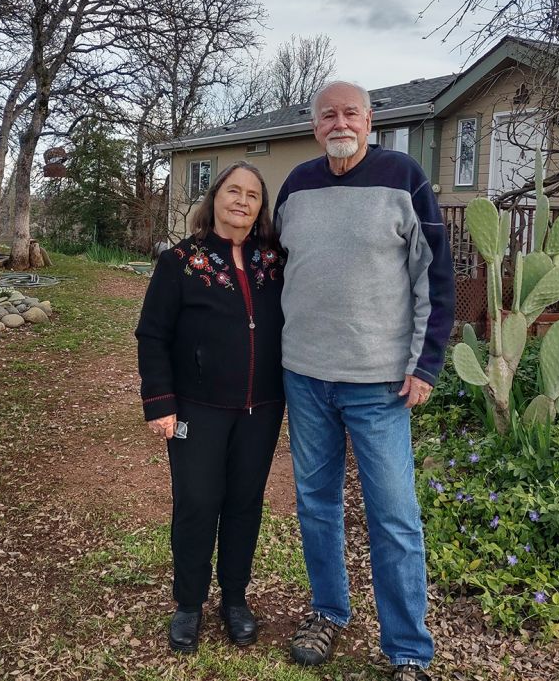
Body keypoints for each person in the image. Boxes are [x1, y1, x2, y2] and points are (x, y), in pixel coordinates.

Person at [274, 81, 455, 681]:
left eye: (350, 112)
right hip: (304, 376)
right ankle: (328, 611)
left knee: (394, 515)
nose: (339, 122)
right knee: (317, 506)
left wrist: (425, 362)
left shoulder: (404, 178)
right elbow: (277, 271)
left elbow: (437, 278)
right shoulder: (296, 186)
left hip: (378, 383)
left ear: (370, 120)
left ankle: (406, 649)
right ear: (315, 125)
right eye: (328, 115)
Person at [135, 161, 286, 654]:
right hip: (196, 411)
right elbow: (153, 335)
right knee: (198, 503)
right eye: (233, 191)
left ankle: (235, 600)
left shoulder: (274, 262)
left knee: (244, 504)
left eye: (253, 195)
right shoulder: (180, 261)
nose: (242, 201)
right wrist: (160, 402)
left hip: (260, 410)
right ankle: (189, 604)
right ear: (215, 197)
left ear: (261, 208)